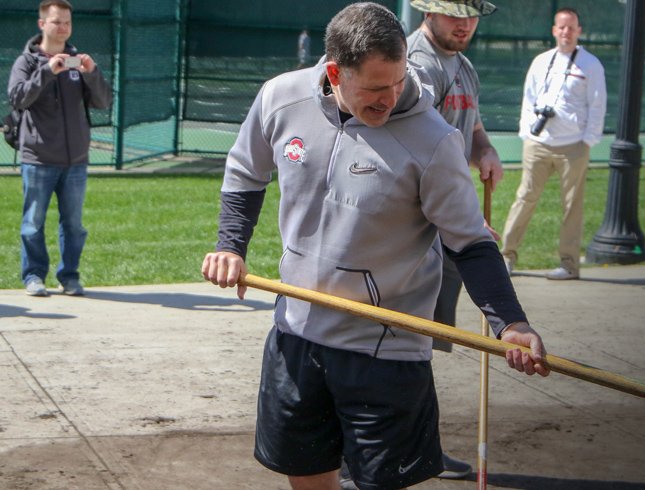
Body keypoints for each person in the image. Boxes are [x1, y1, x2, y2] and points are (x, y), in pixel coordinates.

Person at [200, 4, 549, 490]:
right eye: (373, 89)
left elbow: (469, 242)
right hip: (296, 331)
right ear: (333, 74)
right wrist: (230, 246)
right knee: (306, 477)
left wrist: (509, 322)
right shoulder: (280, 98)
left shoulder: (434, 141)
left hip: (385, 349)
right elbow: (245, 172)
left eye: (397, 82)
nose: (390, 98)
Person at [406, 0, 501, 480]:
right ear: (429, 12)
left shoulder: (461, 67)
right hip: (418, 231)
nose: (463, 23)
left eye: (471, 14)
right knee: (397, 345)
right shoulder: (417, 64)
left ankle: (418, 449)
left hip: (445, 228)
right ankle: (359, 453)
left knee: (421, 345)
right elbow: (419, 145)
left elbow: (472, 127)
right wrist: (462, 216)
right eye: (453, 13)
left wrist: (484, 149)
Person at [8, 0, 112, 297]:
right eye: (56, 22)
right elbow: (17, 98)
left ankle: (69, 276)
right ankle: (33, 276)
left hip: (76, 160)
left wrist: (91, 72)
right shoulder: (26, 62)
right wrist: (46, 72)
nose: (62, 27)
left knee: (74, 225)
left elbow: (104, 102)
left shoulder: (77, 61)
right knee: (33, 222)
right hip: (38, 158)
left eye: (67, 22)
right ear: (42, 24)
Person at [500, 7, 606, 281]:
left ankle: (569, 265)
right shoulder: (541, 61)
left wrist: (588, 140)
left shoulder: (591, 65)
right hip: (538, 143)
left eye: (571, 27)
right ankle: (506, 256)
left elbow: (597, 105)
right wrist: (527, 132)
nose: (566, 32)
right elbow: (528, 98)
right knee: (525, 198)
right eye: (561, 27)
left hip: (574, 147)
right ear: (553, 30)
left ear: (579, 31)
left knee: (572, 205)